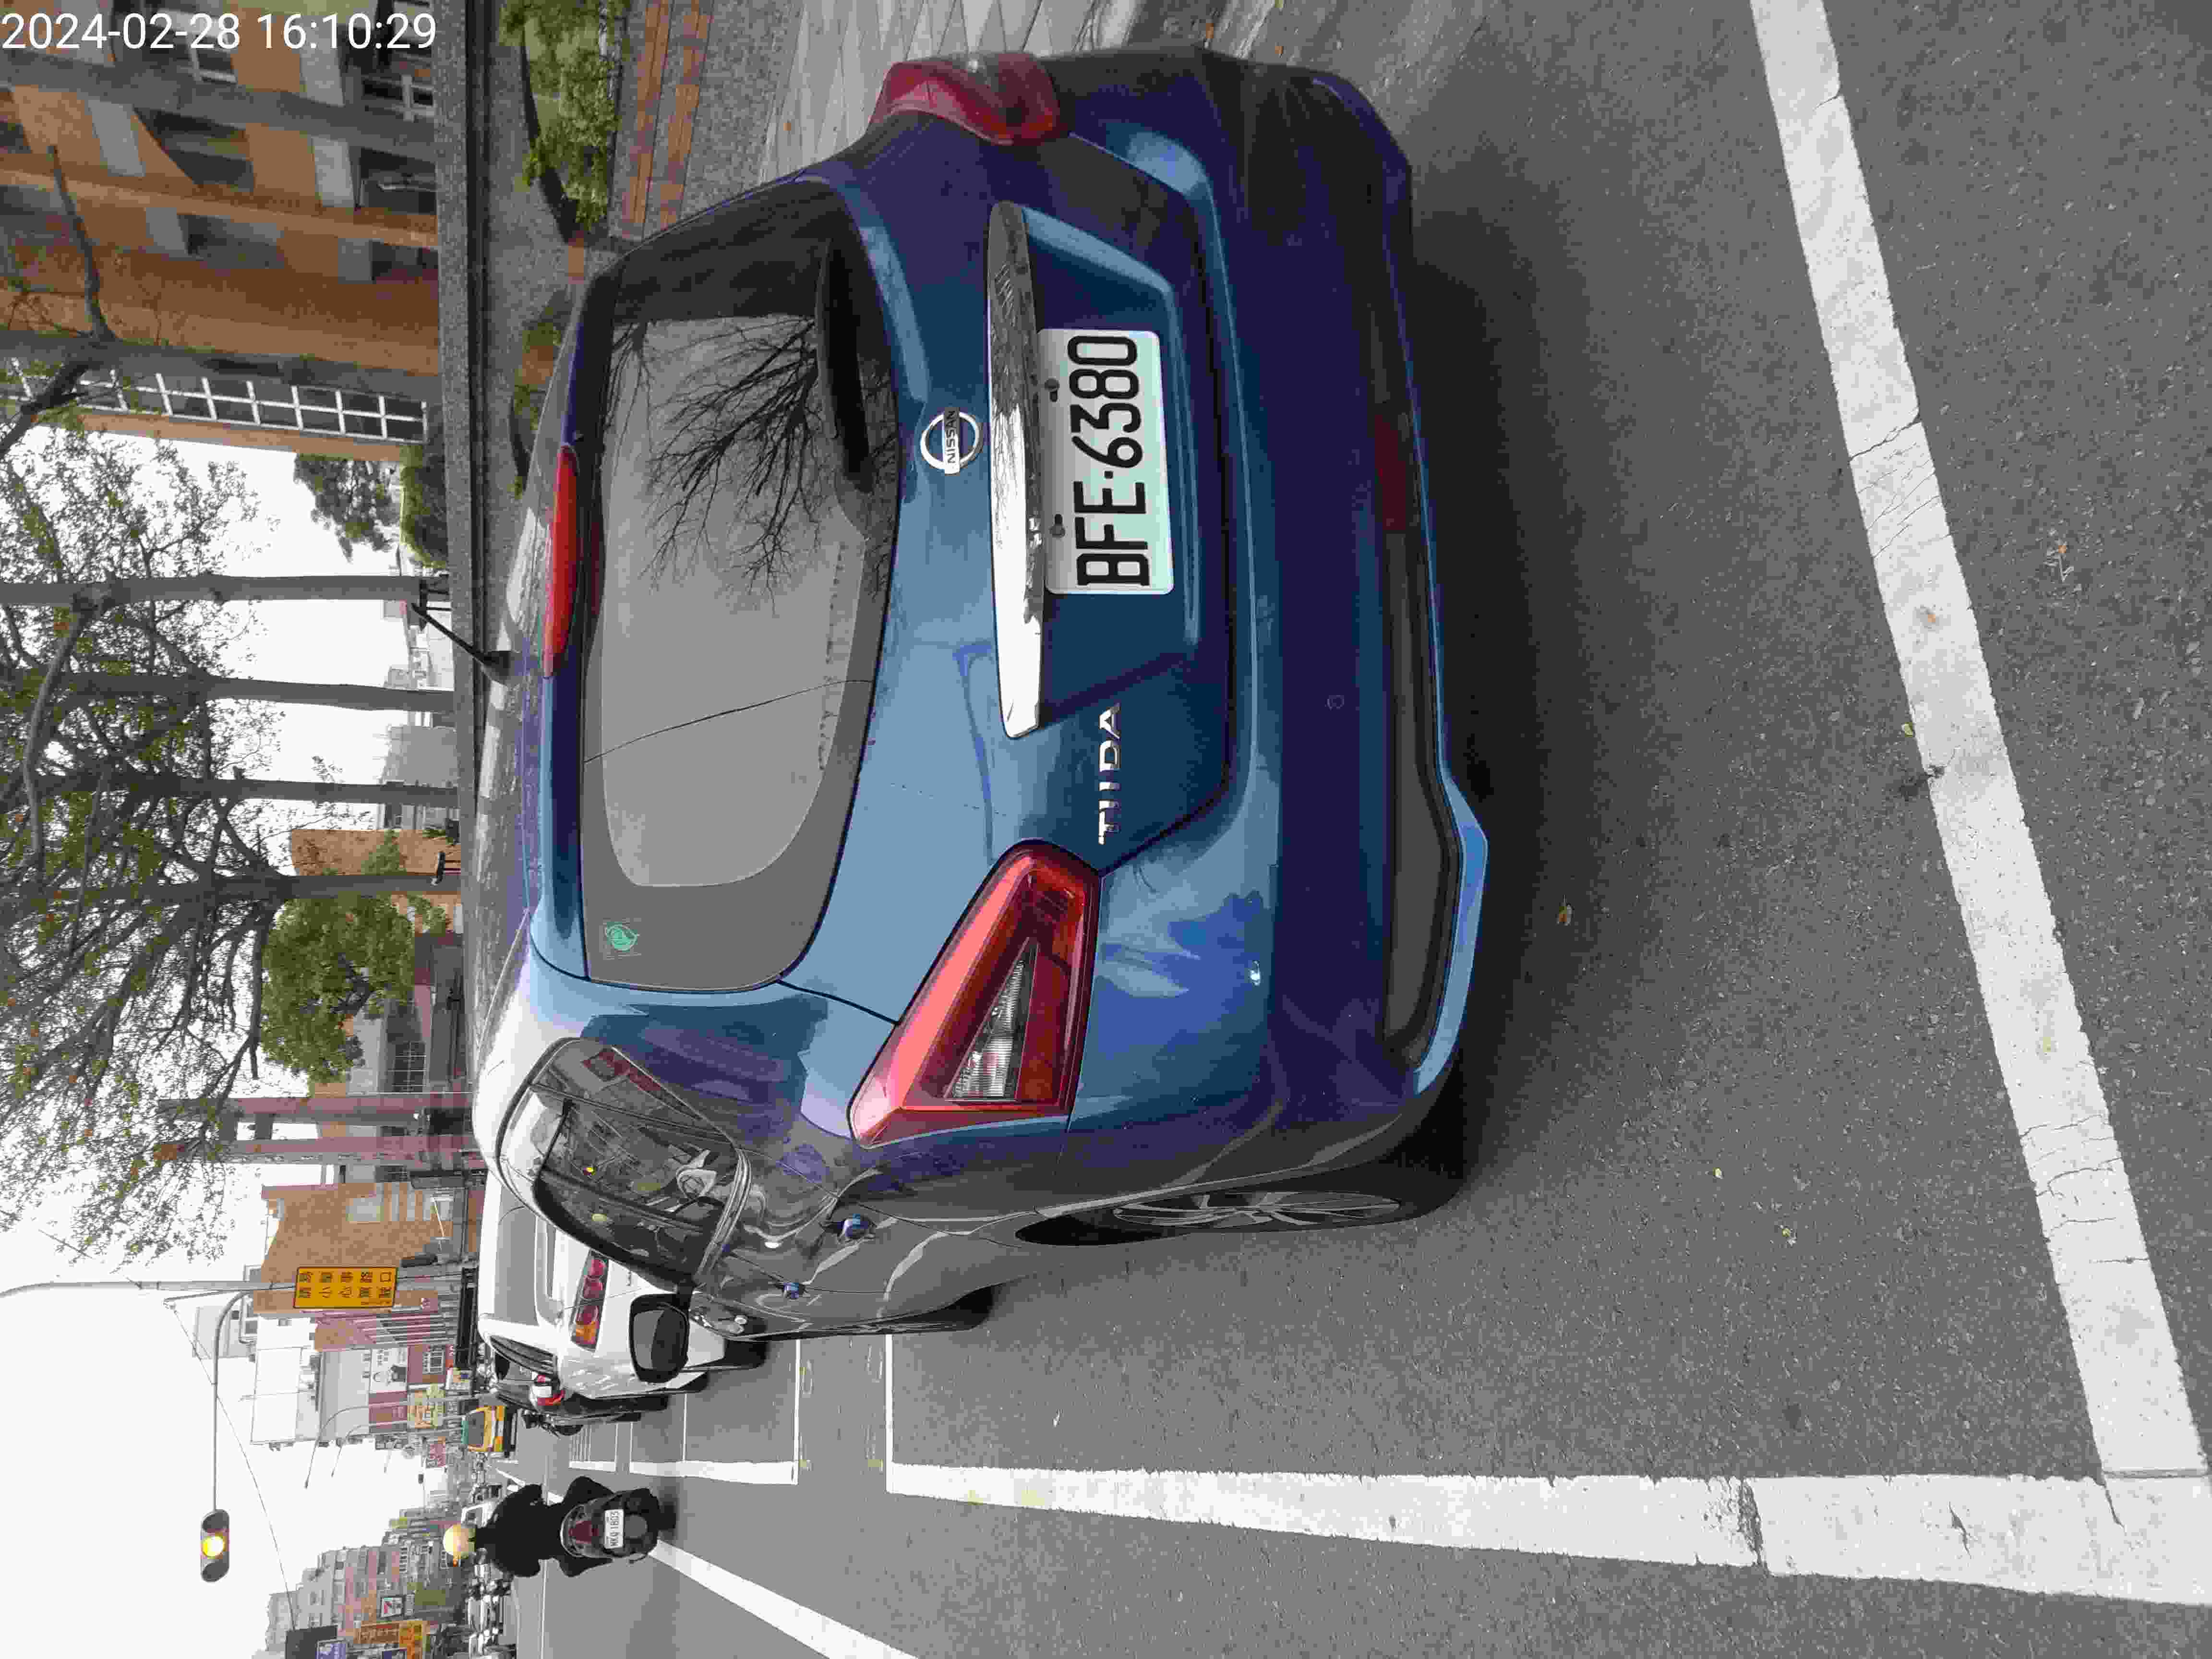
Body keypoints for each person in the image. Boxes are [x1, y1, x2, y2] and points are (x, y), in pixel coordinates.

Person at [444, 1476, 616, 1578]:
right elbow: (533, 1490)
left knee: (570, 1570)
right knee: (581, 1484)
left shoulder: (499, 1562)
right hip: (568, 1513)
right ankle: (615, 1501)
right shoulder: (502, 1510)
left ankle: (608, 1556)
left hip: (566, 1549)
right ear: (469, 1527)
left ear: (469, 1551)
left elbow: (534, 1570)